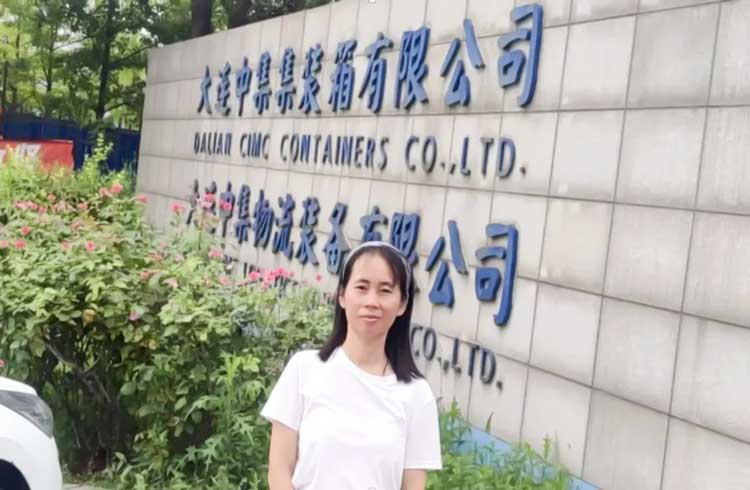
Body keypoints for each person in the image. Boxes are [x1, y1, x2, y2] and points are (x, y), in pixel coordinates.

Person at [261, 241, 442, 490]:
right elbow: (279, 470)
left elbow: (413, 486)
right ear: (342, 296)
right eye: (362, 287)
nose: (372, 301)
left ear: (402, 304)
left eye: (385, 290)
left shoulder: (416, 394)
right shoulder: (304, 369)